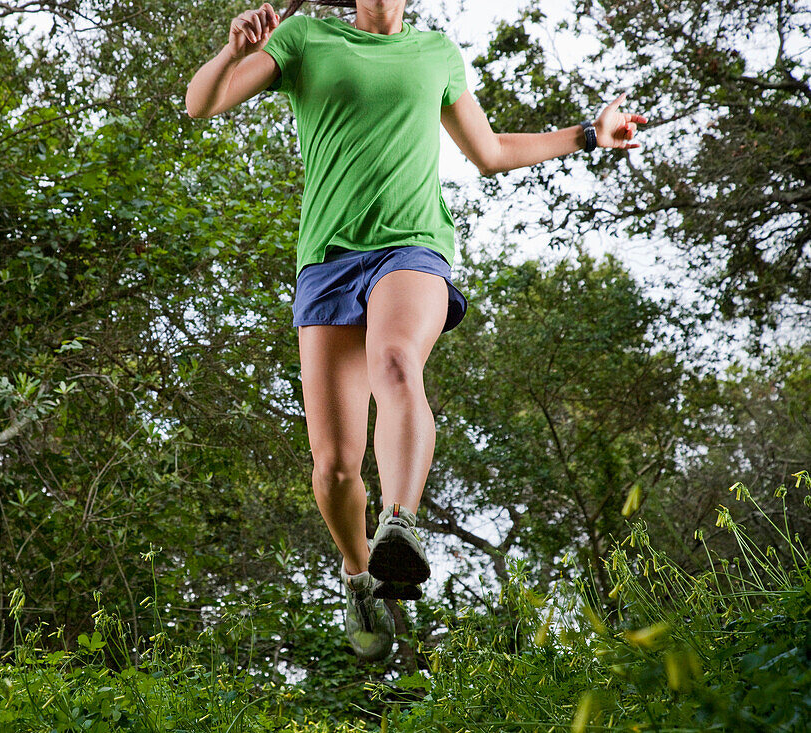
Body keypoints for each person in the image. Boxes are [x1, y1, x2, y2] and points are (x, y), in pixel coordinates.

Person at [185, 0, 645, 662]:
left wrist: (589, 135)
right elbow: (203, 103)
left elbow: (487, 152)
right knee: (335, 467)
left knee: (397, 362)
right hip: (327, 261)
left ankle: (399, 525)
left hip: (412, 248)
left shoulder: (435, 54)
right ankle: (357, 571)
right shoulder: (306, 37)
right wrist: (233, 49)